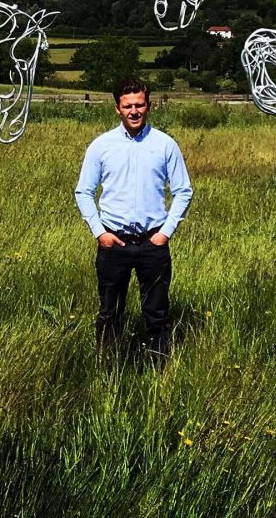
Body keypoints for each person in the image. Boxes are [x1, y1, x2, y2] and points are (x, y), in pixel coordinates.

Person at [74, 77, 193, 364]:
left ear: (148, 106)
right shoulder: (101, 146)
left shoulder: (165, 144)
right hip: (113, 243)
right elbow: (83, 191)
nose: (134, 111)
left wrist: (165, 232)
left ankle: (159, 369)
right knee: (109, 312)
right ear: (117, 108)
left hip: (153, 244)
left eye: (139, 105)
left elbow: (183, 190)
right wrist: (99, 232)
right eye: (128, 106)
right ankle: (108, 367)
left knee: (157, 312)